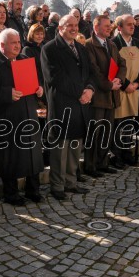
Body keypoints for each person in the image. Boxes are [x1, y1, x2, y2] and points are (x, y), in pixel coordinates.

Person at [41, 15, 95, 200]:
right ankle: (57, 187)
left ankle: (71, 183)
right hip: (62, 105)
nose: (74, 28)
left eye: (76, 25)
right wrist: (81, 93)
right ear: (60, 28)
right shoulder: (49, 49)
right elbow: (55, 78)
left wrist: (90, 90)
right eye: (69, 25)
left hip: (80, 106)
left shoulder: (80, 48)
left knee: (74, 148)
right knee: (59, 149)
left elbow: (89, 73)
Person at [0, 29, 45, 205]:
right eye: (13, 43)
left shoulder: (24, 60)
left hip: (28, 113)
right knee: (9, 156)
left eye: (19, 42)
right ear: (2, 45)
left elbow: (36, 82)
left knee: (33, 154)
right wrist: (7, 93)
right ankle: (11, 193)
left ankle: (33, 189)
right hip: (7, 117)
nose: (18, 46)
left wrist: (39, 89)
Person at [85, 15, 126, 176]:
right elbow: (94, 71)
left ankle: (102, 163)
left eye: (110, 26)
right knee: (94, 133)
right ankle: (90, 166)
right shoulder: (89, 45)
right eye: (106, 26)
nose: (110, 28)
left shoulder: (111, 44)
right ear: (96, 28)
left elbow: (122, 64)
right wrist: (110, 85)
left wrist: (119, 79)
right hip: (98, 96)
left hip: (111, 96)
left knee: (106, 133)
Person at [111, 14, 139, 168]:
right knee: (118, 124)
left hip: (134, 90)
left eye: (133, 24)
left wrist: (137, 84)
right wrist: (126, 85)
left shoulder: (138, 43)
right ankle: (116, 156)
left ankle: (127, 153)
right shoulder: (114, 43)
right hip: (120, 90)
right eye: (128, 24)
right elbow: (113, 68)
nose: (132, 26)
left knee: (129, 124)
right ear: (119, 28)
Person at [22, 23, 47, 107]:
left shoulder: (44, 47)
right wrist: (38, 85)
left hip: (46, 83)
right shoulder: (27, 49)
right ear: (32, 34)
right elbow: (30, 71)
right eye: (37, 34)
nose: (40, 36)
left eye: (41, 34)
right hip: (37, 86)